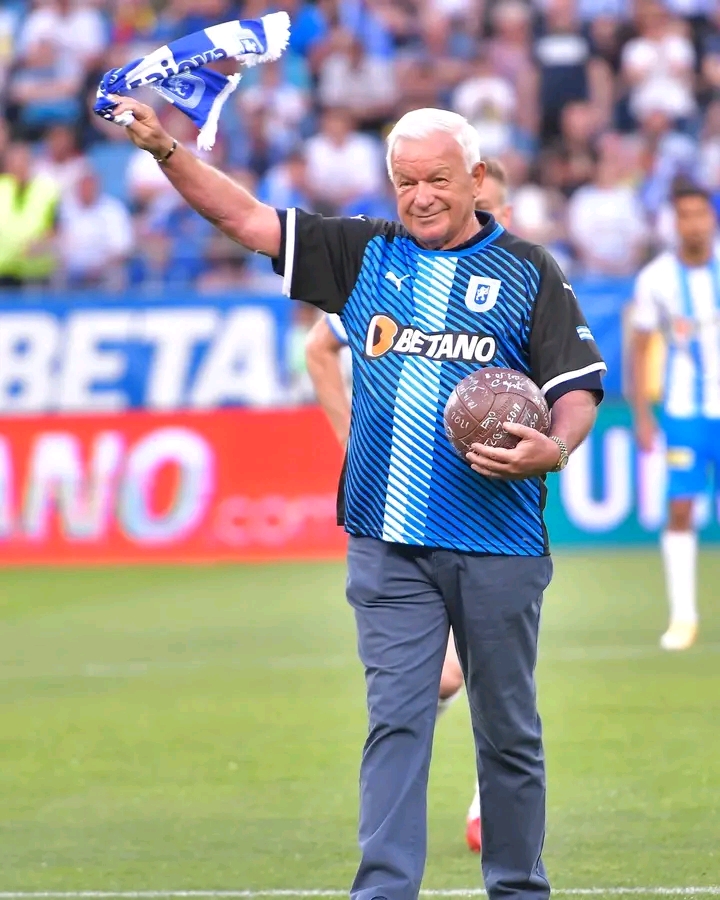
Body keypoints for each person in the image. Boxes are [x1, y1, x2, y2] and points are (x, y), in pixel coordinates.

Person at [109, 95, 605, 900]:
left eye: (438, 179)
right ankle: (382, 892)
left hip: (500, 543)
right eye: (406, 181)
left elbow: (576, 388)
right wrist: (167, 150)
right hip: (387, 544)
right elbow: (244, 218)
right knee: (397, 720)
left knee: (507, 733)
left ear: (476, 178)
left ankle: (518, 888)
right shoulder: (361, 254)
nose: (421, 196)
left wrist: (559, 445)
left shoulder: (529, 271)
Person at [304, 157, 514, 856]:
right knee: (450, 672)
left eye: (492, 210)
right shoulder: (398, 273)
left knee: (494, 669)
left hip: (491, 506)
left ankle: (487, 808)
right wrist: (355, 441)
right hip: (404, 509)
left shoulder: (526, 281)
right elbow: (319, 347)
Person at [630, 183, 720, 652]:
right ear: (674, 222)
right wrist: (642, 415)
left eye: (700, 214)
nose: (694, 224)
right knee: (681, 508)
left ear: (712, 218)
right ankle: (683, 615)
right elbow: (639, 346)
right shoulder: (656, 279)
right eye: (684, 215)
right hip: (685, 411)